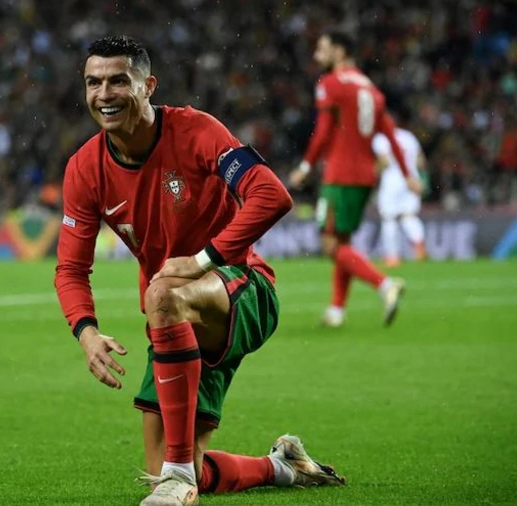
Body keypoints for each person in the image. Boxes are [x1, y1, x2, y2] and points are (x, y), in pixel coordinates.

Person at [54, 35, 345, 506]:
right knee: (170, 469)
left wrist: (203, 260)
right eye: (93, 83)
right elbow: (70, 268)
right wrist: (86, 332)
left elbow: (271, 194)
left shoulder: (197, 131)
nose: (104, 94)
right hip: (174, 322)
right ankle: (283, 467)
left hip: (243, 290)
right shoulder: (85, 169)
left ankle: (177, 476)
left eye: (118, 81)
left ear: (148, 86)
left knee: (163, 292)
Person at [289, 31, 423, 329]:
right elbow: (390, 134)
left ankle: (385, 284)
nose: (317, 56)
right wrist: (408, 175)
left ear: (339, 51)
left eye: (322, 49)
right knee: (344, 242)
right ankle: (337, 310)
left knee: (329, 245)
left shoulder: (331, 84)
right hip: (365, 177)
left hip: (339, 175)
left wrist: (306, 166)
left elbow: (322, 133)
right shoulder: (370, 88)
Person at [372, 105, 428, 267]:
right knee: (409, 216)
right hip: (411, 179)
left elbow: (384, 161)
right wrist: (422, 180)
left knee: (389, 218)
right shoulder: (409, 137)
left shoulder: (381, 138)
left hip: (392, 181)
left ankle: (392, 256)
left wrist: (373, 173)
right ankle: (419, 246)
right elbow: (420, 161)